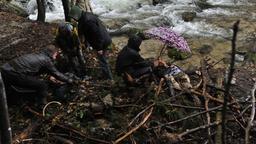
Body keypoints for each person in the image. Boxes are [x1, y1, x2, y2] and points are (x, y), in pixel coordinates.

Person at [0, 45, 74, 106]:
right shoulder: (46, 60)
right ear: (52, 53)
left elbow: (36, 70)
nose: (55, 57)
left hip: (4, 69)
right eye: (55, 55)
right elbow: (57, 74)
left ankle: (11, 102)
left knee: (8, 91)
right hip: (13, 73)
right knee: (42, 85)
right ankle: (41, 105)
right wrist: (69, 80)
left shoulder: (38, 54)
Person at [69, 6, 113, 80]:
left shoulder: (88, 21)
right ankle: (105, 74)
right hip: (103, 39)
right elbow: (84, 31)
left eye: (73, 17)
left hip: (102, 42)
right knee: (102, 60)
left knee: (103, 61)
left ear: (77, 15)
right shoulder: (86, 16)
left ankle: (109, 79)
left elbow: (97, 34)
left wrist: (99, 48)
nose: (73, 19)